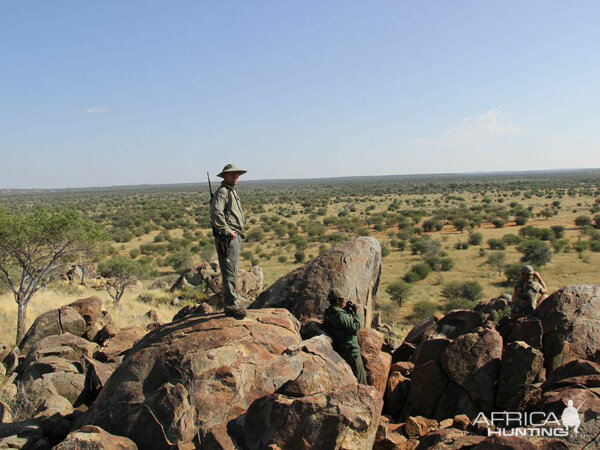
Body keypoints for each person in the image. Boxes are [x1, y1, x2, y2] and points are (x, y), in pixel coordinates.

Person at [210, 163, 247, 318]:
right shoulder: (223, 192)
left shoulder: (232, 191)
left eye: (237, 174)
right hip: (228, 237)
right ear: (225, 176)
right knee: (229, 270)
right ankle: (231, 304)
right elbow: (216, 212)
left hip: (234, 236)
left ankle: (233, 300)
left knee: (232, 268)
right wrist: (227, 231)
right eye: (233, 174)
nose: (236, 177)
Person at [323, 286, 368, 384]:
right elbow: (355, 329)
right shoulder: (340, 315)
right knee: (360, 375)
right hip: (351, 351)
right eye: (343, 299)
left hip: (340, 348)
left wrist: (346, 311)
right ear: (338, 300)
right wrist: (357, 314)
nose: (344, 301)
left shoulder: (328, 313)